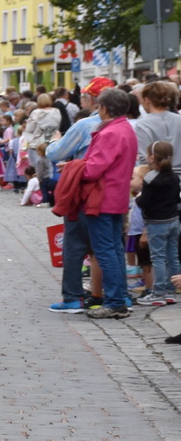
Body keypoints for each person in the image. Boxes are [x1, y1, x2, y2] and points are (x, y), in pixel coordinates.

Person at [74, 88, 139, 319]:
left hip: (102, 198)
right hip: (117, 196)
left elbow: (92, 170)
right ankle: (119, 298)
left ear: (104, 108)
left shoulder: (110, 132)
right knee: (114, 249)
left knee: (106, 250)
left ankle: (114, 301)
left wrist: (74, 167)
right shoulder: (125, 129)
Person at [137, 141, 178, 307]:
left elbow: (144, 202)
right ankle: (171, 290)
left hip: (156, 222)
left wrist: (138, 197)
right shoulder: (174, 175)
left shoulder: (150, 178)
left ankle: (158, 293)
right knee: (173, 257)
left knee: (158, 258)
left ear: (152, 158)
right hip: (173, 220)